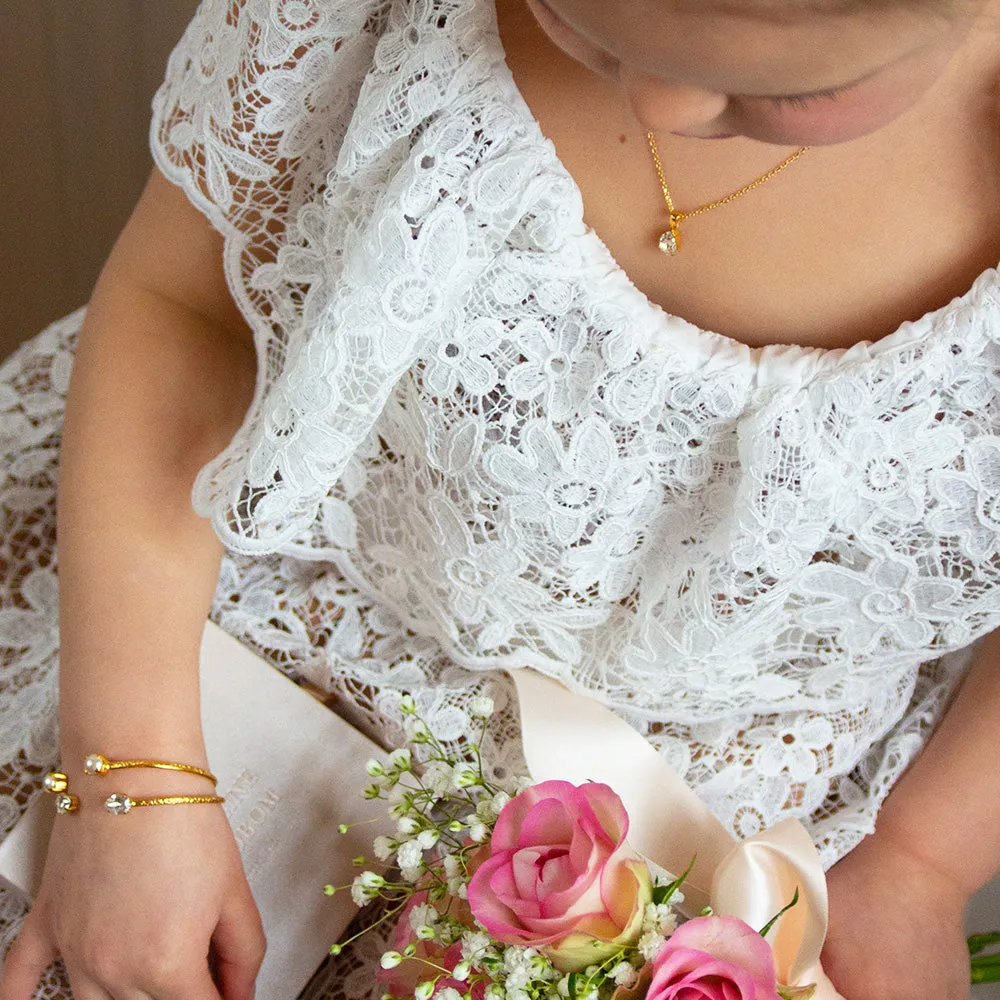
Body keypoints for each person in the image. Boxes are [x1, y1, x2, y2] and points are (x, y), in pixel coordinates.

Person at [2, 0, 1000, 996]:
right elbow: (193, 311)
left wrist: (924, 860)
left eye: (793, 86)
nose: (655, 99)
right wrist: (129, 779)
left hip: (730, 832)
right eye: (578, 20)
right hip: (182, 643)